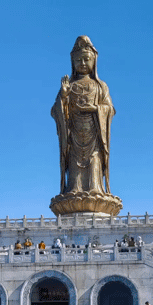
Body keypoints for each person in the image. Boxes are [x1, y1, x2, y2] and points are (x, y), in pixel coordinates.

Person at [52, 36, 115, 195]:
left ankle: (96, 189)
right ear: (72, 62)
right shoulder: (69, 86)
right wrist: (64, 96)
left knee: (94, 160)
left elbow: (110, 109)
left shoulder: (100, 86)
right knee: (74, 162)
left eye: (87, 59)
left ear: (94, 61)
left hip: (94, 134)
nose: (83, 63)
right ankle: (74, 188)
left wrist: (95, 108)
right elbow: (55, 111)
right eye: (78, 60)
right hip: (74, 135)